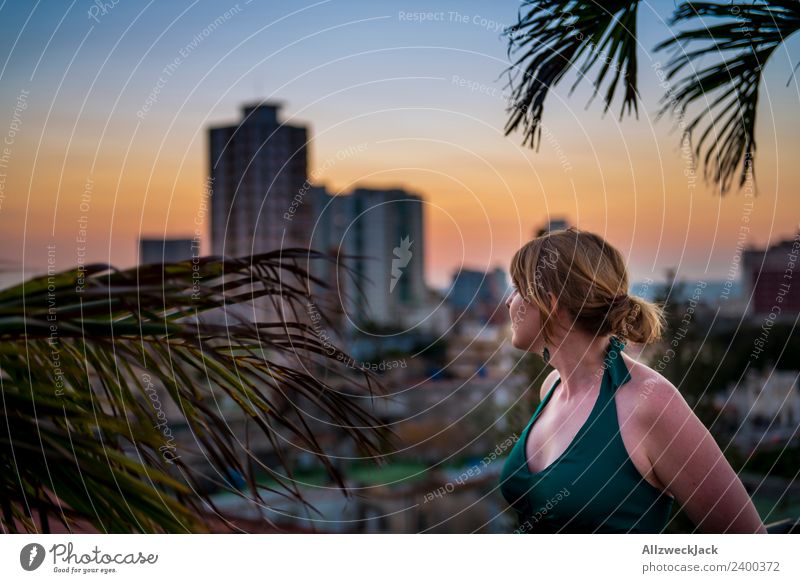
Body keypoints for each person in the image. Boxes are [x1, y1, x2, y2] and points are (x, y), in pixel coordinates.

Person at [499, 227, 767, 533]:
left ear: (551, 303)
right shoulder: (552, 387)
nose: (509, 301)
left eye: (518, 288)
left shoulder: (649, 402)